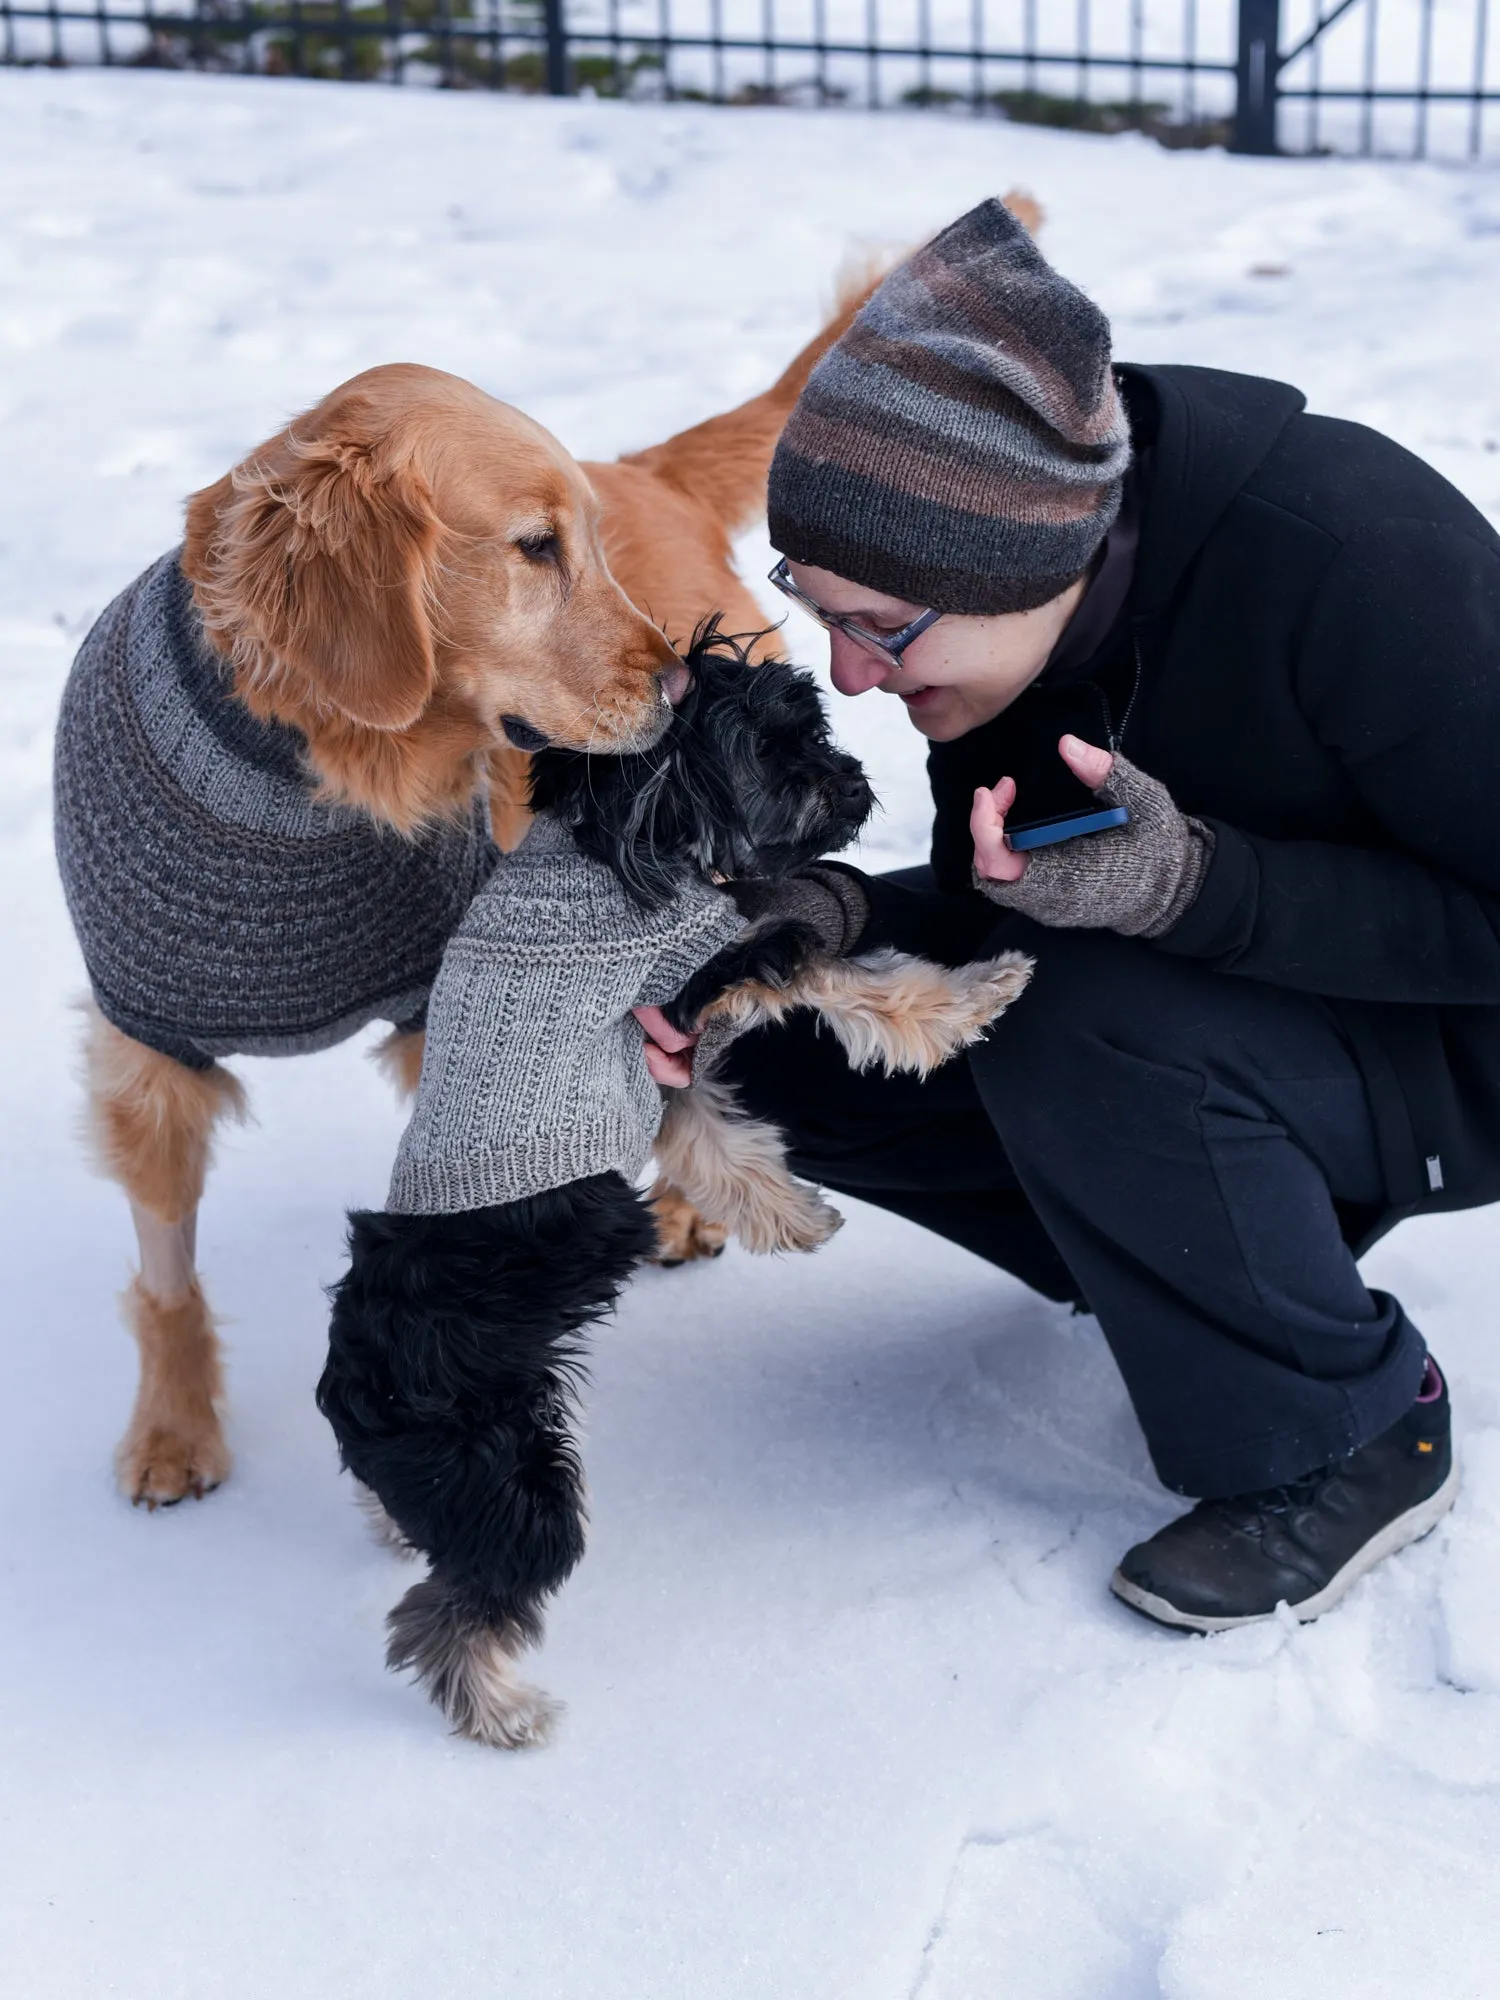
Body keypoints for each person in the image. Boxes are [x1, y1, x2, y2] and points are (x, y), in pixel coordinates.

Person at [637, 194, 1499, 1632]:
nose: (849, 677)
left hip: (1458, 1041)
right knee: (775, 1022)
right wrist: (828, 919)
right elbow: (1011, 893)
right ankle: (1183, 1259)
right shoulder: (1011, 632)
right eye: (819, 607)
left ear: (1022, 566)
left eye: (883, 628)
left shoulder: (1358, 559)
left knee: (1079, 1019)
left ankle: (1347, 1431)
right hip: (1251, 1007)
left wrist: (1197, 884)